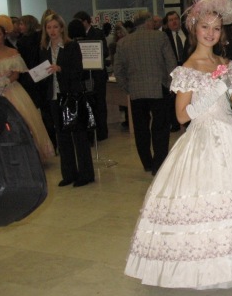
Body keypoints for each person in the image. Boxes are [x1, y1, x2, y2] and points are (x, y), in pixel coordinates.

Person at [125, 0, 232, 289]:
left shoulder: (226, 63)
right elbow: (182, 116)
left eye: (216, 28)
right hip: (202, 139)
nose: (211, 33)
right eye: (205, 27)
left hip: (231, 137)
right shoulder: (187, 68)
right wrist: (211, 95)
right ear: (194, 29)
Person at [114, 11, 177, 175]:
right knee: (160, 127)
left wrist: (127, 87)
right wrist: (170, 84)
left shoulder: (123, 42)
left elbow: (118, 70)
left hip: (136, 92)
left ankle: (147, 163)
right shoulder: (160, 37)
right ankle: (159, 164)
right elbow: (171, 64)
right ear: (149, 22)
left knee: (141, 129)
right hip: (158, 89)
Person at [39, 13, 94, 186]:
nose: (52, 31)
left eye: (55, 27)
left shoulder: (71, 46)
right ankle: (69, 173)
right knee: (62, 136)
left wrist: (60, 69)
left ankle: (85, 174)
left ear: (62, 28)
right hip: (54, 97)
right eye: (49, 27)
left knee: (78, 135)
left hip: (71, 95)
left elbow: (78, 71)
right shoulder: (45, 49)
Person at [0, 17, 54, 162]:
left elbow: (16, 74)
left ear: (4, 35)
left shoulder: (12, 52)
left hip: (11, 89)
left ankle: (28, 156)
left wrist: (5, 81)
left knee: (21, 120)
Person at [73, 11, 109, 141]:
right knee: (89, 104)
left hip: (97, 75)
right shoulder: (76, 36)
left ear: (85, 21)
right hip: (85, 75)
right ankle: (91, 131)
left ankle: (102, 132)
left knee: (100, 103)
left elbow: (105, 52)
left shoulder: (97, 33)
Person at [163, 11, 191, 132]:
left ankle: (188, 121)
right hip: (172, 69)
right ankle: (174, 123)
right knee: (173, 97)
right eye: (171, 20)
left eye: (176, 19)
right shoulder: (164, 36)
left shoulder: (188, 33)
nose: (174, 22)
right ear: (167, 23)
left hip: (188, 67)